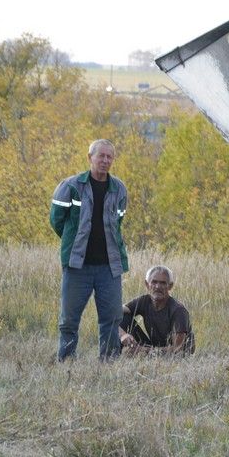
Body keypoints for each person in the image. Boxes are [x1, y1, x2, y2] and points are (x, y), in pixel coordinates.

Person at [50, 139, 128, 361]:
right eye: (100, 156)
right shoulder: (71, 186)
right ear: (90, 158)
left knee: (112, 319)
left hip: (109, 267)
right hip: (77, 266)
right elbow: (57, 221)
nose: (105, 160)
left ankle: (109, 365)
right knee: (69, 320)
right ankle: (66, 363)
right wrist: (74, 245)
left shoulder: (119, 189)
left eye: (109, 157)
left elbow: (118, 224)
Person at [119, 265, 194, 356]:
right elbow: (114, 312)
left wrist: (142, 350)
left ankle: (138, 353)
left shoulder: (178, 310)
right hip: (153, 348)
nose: (158, 287)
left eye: (163, 283)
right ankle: (112, 356)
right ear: (147, 284)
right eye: (154, 282)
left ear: (170, 286)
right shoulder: (144, 301)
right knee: (121, 316)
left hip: (175, 354)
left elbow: (178, 349)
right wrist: (123, 335)